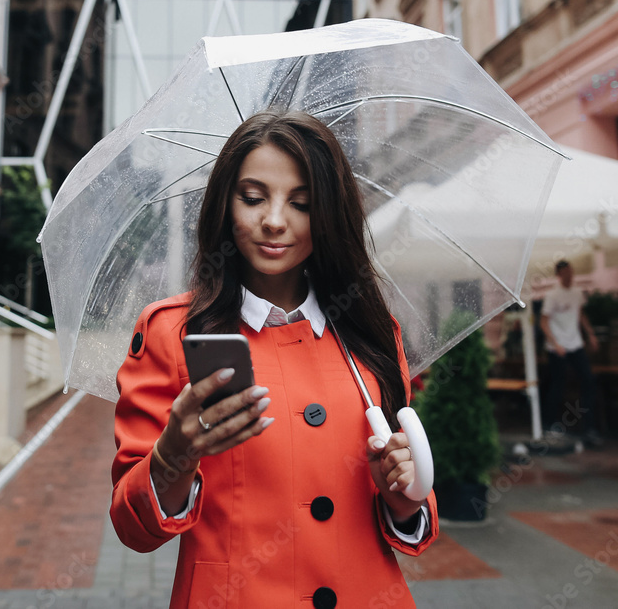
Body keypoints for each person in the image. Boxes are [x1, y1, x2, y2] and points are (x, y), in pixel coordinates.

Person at [110, 111, 438, 609]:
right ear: (225, 203)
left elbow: (409, 509)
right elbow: (133, 528)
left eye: (301, 203)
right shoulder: (172, 332)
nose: (275, 220)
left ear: (328, 214)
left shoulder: (370, 331)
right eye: (253, 197)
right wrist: (173, 454)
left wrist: (404, 495)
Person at [539, 260, 600, 444]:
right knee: (559, 384)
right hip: (557, 346)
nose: (569, 275)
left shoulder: (577, 292)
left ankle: (590, 428)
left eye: (571, 271)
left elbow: (580, 314)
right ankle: (549, 424)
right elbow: (543, 321)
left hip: (576, 344)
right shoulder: (552, 295)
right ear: (559, 274)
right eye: (565, 272)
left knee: (588, 381)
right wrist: (554, 342)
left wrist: (590, 334)